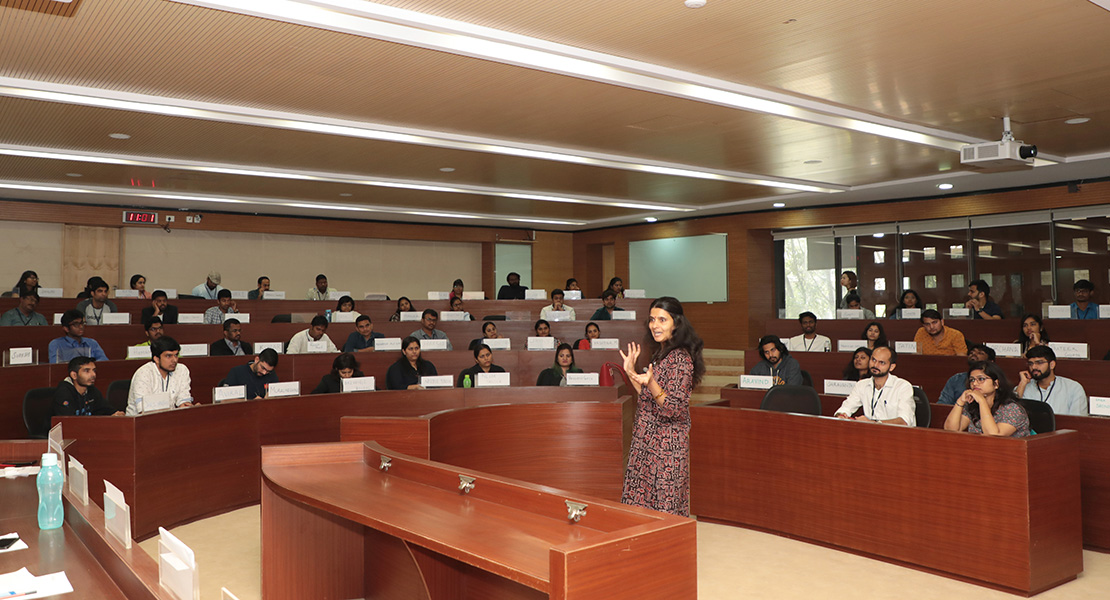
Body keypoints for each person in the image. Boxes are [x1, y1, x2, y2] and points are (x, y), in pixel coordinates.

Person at [619, 296, 704, 517]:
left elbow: (673, 408)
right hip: (646, 440)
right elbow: (648, 398)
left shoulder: (681, 359)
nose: (655, 325)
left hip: (665, 448)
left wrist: (652, 382)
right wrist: (630, 373)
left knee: (663, 507)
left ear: (676, 323)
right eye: (652, 319)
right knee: (641, 505)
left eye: (662, 320)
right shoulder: (663, 354)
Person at [833, 346, 915, 426]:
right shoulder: (861, 385)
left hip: (897, 435)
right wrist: (841, 415)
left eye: (882, 362)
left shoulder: (903, 387)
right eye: (873, 360)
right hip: (870, 433)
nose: (875, 365)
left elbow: (904, 421)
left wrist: (874, 423)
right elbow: (846, 407)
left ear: (891, 367)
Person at [943, 362, 1030, 437]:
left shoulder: (1013, 409)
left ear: (996, 384)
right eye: (972, 380)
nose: (975, 383)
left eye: (981, 379)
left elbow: (993, 436)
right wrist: (960, 401)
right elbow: (950, 430)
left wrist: (982, 401)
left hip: (1012, 454)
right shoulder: (972, 405)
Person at [126, 336, 193, 416]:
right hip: (139, 423)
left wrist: (187, 406)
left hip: (168, 421)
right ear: (156, 359)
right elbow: (144, 411)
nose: (174, 360)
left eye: (176, 355)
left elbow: (184, 402)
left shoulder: (182, 370)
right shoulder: (144, 373)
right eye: (169, 356)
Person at [1016, 346, 1089, 416]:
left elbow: (1077, 421)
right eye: (1030, 363)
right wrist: (1022, 383)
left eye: (1039, 363)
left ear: (1052, 365)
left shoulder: (1073, 388)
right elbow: (1010, 414)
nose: (1034, 367)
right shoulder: (1024, 386)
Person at [53, 357, 122, 417]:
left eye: (94, 370)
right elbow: (67, 423)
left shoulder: (92, 390)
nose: (93, 374)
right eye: (87, 371)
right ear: (74, 375)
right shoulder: (63, 393)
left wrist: (116, 414)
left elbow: (108, 410)